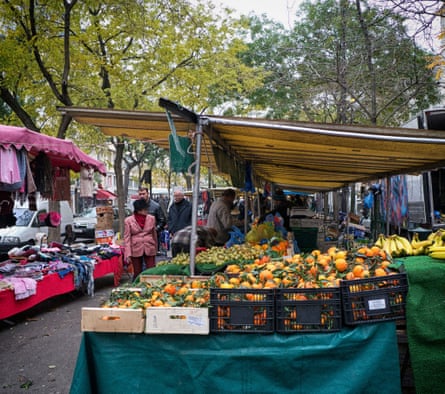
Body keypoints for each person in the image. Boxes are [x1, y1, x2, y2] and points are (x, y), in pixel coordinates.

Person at [124, 198, 157, 279]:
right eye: (144, 209)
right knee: (137, 272)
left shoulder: (151, 218)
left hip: (149, 246)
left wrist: (155, 247)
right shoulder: (128, 220)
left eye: (146, 209)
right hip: (135, 247)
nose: (146, 211)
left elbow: (154, 233)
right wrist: (127, 254)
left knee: (151, 270)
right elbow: (127, 237)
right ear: (138, 210)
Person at [138, 186, 167, 253]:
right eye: (140, 194)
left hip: (152, 237)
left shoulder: (156, 206)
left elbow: (162, 220)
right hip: (139, 238)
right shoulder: (137, 206)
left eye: (143, 194)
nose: (142, 196)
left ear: (148, 194)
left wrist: (155, 230)